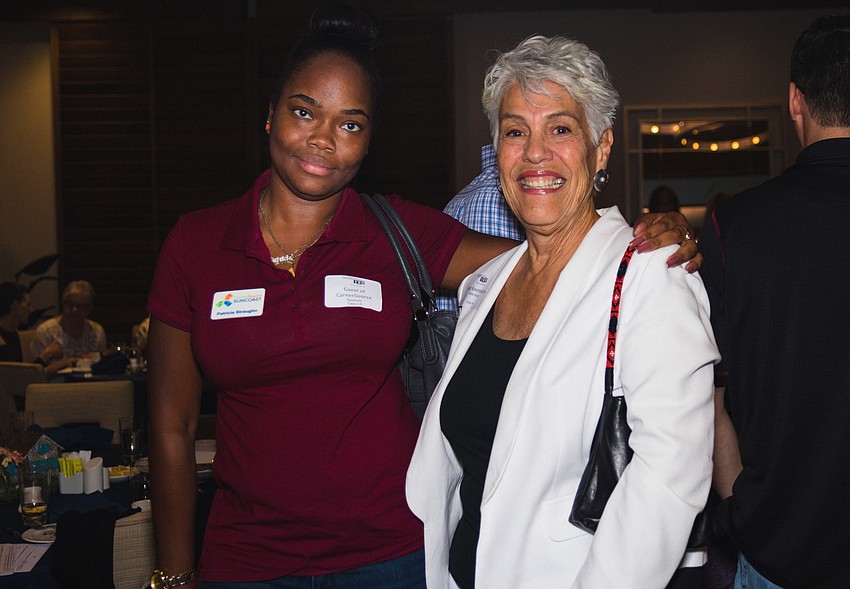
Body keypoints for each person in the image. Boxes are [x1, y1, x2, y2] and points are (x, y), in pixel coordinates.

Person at [145, 5, 700, 588]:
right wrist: (175, 575)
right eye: (303, 112)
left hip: (389, 551)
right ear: (269, 116)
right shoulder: (197, 245)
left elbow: (564, 252)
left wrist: (653, 239)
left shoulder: (398, 233)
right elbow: (170, 427)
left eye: (351, 123)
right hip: (250, 557)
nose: (323, 139)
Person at [406, 35, 718, 589]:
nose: (534, 153)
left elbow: (670, 478)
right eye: (515, 131)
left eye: (561, 128)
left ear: (601, 148)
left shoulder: (651, 275)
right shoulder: (486, 283)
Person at [699, 15, 850, 589]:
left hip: (779, 549)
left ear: (795, 101)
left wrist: (744, 506)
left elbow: (705, 399)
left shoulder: (732, 228)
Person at [30, 279, 107, 374]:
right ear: (63, 304)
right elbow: (34, 374)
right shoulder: (46, 331)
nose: (74, 310)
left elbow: (104, 366)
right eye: (70, 304)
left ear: (88, 309)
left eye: (79, 306)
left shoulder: (96, 331)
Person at [0, 282, 31, 362]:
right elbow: (13, 371)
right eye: (27, 305)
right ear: (15, 305)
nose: (30, 310)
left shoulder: (13, 333)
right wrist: (45, 356)